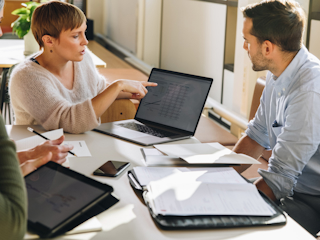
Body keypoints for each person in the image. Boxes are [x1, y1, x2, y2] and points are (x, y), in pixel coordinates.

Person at [233, 0, 320, 236]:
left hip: (311, 198)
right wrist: (218, 178)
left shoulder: (310, 89)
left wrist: (232, 208)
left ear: (267, 48)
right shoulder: (277, 73)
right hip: (287, 184)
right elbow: (256, 136)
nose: (244, 47)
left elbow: (280, 177)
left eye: (247, 41)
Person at [9, 1, 157, 134]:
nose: (85, 41)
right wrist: (119, 85)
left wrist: (135, 92)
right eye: (75, 36)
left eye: (84, 32)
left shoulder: (83, 59)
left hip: (83, 145)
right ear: (49, 41)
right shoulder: (26, 76)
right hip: (42, 155)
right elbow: (69, 122)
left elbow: (97, 90)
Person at [1, 1, 74, 238]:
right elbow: (11, 225)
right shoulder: (27, 74)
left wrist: (27, 156)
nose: (1, 31)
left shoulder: (79, 63)